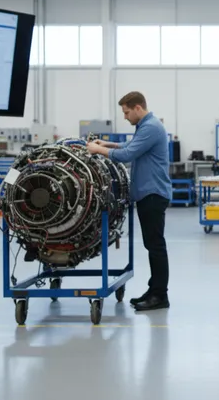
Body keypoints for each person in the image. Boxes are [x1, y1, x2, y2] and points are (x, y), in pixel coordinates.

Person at [87, 91, 173, 312]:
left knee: (155, 246)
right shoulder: (145, 127)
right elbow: (130, 147)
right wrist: (108, 144)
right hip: (148, 194)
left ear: (137, 108)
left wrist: (98, 150)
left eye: (126, 112)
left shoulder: (151, 127)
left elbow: (127, 155)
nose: (125, 117)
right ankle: (154, 290)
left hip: (152, 194)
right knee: (152, 245)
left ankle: (160, 295)